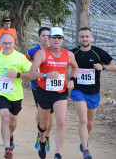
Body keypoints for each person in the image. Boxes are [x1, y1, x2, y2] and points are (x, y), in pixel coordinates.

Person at [28, 27, 78, 159]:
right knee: (44, 124)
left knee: (61, 122)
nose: (56, 40)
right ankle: (43, 140)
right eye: (53, 37)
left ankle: (58, 153)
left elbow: (75, 67)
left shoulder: (69, 54)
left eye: (59, 37)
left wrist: (72, 79)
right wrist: (45, 74)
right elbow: (32, 73)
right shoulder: (42, 53)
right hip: (44, 92)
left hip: (60, 93)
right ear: (49, 39)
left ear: (63, 40)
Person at [70, 27, 116, 159]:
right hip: (78, 91)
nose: (84, 39)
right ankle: (85, 150)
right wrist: (68, 72)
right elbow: (63, 64)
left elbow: (113, 66)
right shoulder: (73, 53)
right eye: (82, 37)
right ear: (78, 39)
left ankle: (85, 138)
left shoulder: (98, 52)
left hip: (94, 92)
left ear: (91, 38)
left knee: (90, 122)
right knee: (83, 120)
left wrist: (104, 67)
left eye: (87, 36)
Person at [0, 33, 31, 159]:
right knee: (5, 117)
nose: (7, 46)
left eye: (9, 43)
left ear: (13, 44)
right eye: (4, 43)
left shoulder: (20, 57)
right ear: (0, 44)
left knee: (12, 121)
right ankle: (7, 149)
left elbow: (31, 73)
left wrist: (17, 74)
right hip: (0, 93)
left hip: (16, 94)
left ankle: (10, 135)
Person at [25, 27, 53, 153]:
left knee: (50, 113)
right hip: (37, 85)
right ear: (39, 37)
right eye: (43, 35)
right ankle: (39, 134)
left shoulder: (56, 51)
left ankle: (46, 137)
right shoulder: (32, 52)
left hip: (52, 86)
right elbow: (24, 64)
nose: (46, 38)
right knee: (41, 110)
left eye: (48, 35)